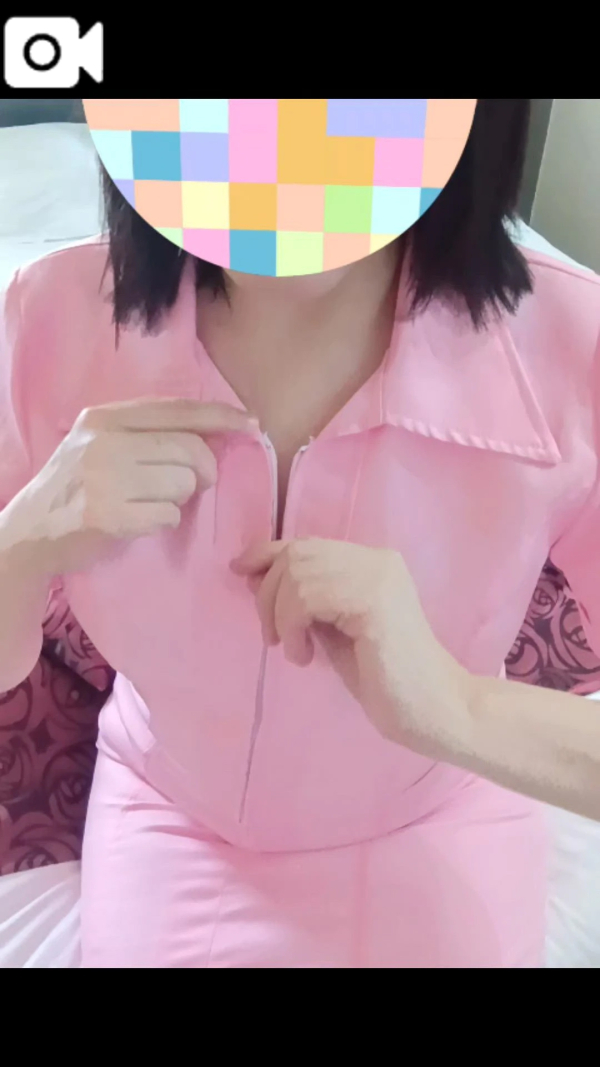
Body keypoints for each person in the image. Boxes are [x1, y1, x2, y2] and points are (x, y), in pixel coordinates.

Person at [1, 98, 600, 968]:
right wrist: (20, 547)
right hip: (174, 816)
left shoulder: (573, 348)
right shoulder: (48, 321)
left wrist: (459, 706)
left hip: (439, 816)